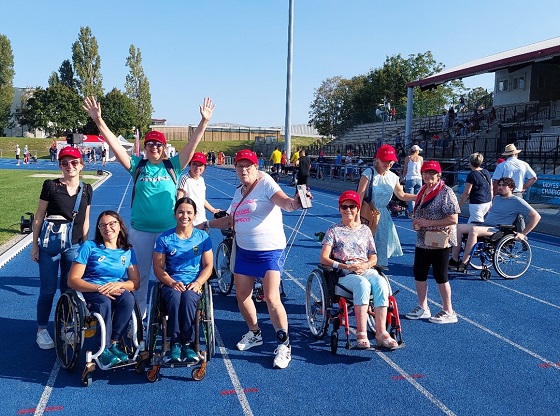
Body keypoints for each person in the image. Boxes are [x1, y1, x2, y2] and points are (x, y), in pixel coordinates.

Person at [83, 96, 215, 317]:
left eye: (158, 144)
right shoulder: (137, 166)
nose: (154, 147)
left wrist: (203, 122)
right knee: (140, 277)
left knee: (172, 276)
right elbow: (115, 146)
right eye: (150, 144)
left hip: (168, 233)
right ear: (144, 147)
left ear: (164, 148)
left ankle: (170, 318)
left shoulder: (173, 166)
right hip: (141, 232)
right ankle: (138, 320)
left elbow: (192, 146)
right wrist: (99, 121)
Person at [205, 149, 311, 369]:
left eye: (248, 166)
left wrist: (298, 200)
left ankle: (284, 345)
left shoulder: (267, 184)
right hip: (244, 250)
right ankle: (254, 333)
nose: (244, 170)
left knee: (272, 298)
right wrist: (205, 224)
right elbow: (229, 222)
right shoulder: (238, 192)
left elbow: (287, 204)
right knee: (242, 296)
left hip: (270, 251)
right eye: (240, 166)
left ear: (256, 167)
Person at [31, 146, 93, 349]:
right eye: (65, 163)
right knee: (48, 290)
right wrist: (35, 246)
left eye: (74, 162)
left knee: (69, 289)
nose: (70, 166)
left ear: (81, 165)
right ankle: (41, 330)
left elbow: (85, 220)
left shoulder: (87, 189)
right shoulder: (51, 186)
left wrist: (85, 245)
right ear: (60, 165)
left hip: (74, 246)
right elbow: (39, 216)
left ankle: (67, 327)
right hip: (50, 246)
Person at [320, 190, 398, 350]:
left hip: (365, 268)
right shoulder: (333, 230)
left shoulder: (365, 230)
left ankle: (381, 332)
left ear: (358, 208)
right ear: (339, 208)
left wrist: (366, 265)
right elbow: (324, 258)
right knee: (362, 284)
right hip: (345, 273)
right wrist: (346, 266)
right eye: (344, 206)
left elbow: (374, 256)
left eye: (352, 206)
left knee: (381, 283)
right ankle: (361, 333)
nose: (348, 210)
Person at [67, 211, 140, 368]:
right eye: (103, 225)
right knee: (104, 302)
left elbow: (135, 282)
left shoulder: (127, 250)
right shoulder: (89, 247)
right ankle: (103, 348)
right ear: (99, 229)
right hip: (92, 289)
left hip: (116, 288)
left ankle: (114, 342)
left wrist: (120, 285)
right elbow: (73, 280)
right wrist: (99, 288)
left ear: (120, 225)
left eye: (112, 223)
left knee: (128, 300)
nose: (108, 227)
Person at [153, 197, 213, 364]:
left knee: (187, 298)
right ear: (175, 214)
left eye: (189, 212)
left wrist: (198, 282)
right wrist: (171, 282)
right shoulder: (164, 238)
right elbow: (158, 268)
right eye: (180, 212)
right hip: (172, 282)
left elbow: (208, 266)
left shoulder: (202, 237)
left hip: (194, 283)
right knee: (174, 297)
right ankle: (174, 344)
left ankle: (188, 343)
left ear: (194, 215)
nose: (184, 215)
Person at [406, 160, 460, 324]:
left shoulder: (446, 192)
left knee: (440, 275)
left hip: (439, 240)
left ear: (439, 175)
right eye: (426, 173)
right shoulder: (423, 190)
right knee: (419, 272)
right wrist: (416, 222)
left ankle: (448, 310)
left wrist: (428, 223)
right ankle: (423, 307)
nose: (428, 176)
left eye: (432, 173)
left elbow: (454, 218)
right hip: (423, 239)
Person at [449, 177, 541, 271]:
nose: (500, 187)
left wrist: (523, 233)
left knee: (474, 230)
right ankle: (454, 259)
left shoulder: (517, 201)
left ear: (511, 188)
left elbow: (536, 216)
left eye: (504, 185)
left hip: (498, 229)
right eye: (499, 185)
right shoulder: (496, 198)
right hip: (485, 225)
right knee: (458, 227)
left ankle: (464, 263)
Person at [356, 144, 416, 269]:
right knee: (365, 248)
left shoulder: (393, 177)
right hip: (367, 215)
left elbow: (401, 195)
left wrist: (420, 196)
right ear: (377, 159)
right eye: (385, 160)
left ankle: (377, 278)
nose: (388, 163)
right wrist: (356, 218)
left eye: (391, 161)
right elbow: (359, 197)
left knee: (380, 249)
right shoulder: (369, 173)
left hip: (383, 218)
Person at [176, 152, 220, 226]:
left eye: (200, 165)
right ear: (190, 165)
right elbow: (179, 200)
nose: (197, 168)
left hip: (202, 220)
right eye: (194, 164)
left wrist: (213, 210)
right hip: (190, 223)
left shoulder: (201, 180)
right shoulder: (185, 179)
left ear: (204, 167)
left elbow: (201, 199)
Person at [458, 153, 492, 223]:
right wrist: (491, 201)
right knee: (470, 222)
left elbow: (467, 193)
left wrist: (459, 206)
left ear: (470, 163)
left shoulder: (472, 175)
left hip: (477, 204)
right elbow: (491, 188)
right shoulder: (486, 172)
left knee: (477, 226)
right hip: (487, 202)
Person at [402, 144, 424, 217]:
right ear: (417, 151)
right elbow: (422, 169)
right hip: (419, 178)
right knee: (418, 196)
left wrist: (403, 177)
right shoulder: (421, 158)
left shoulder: (408, 158)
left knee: (410, 196)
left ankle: (412, 212)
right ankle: (417, 211)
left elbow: (405, 169)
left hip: (410, 178)